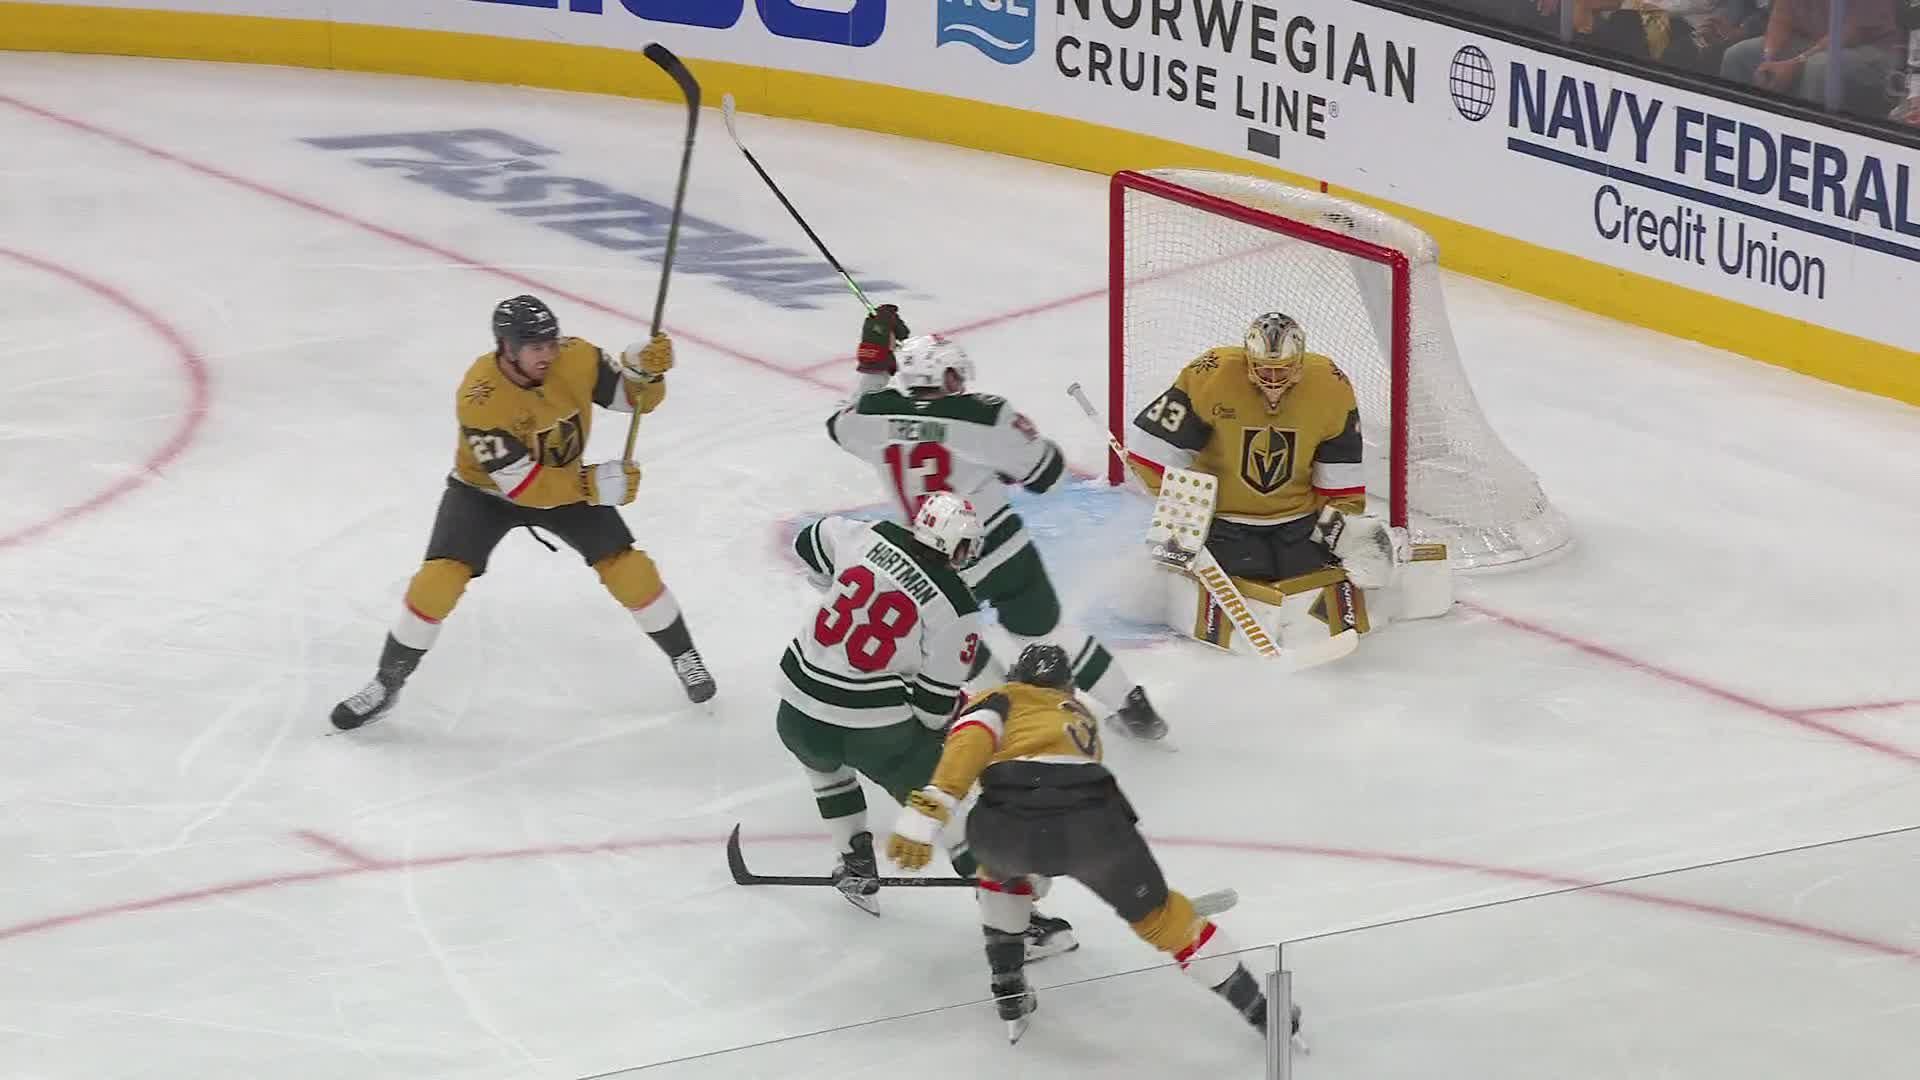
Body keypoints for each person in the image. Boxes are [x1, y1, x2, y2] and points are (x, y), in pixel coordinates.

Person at [329, 295, 715, 730]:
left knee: (630, 569)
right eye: (534, 348)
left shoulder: (578, 356)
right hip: (484, 493)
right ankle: (387, 682)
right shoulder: (481, 396)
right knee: (436, 582)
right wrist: (590, 484)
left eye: (550, 343)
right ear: (507, 348)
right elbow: (524, 486)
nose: (547, 355)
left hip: (562, 482)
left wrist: (645, 372)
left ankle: (684, 655)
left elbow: (633, 400)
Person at [886, 643, 1293, 1044]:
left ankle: (1008, 984)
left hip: (1007, 827)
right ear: (1068, 687)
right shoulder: (1078, 714)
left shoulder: (1001, 696)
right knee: (1163, 919)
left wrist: (930, 808)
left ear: (1016, 678)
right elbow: (1059, 796)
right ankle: (1261, 1010)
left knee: (1000, 873)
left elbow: (971, 741)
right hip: (1095, 830)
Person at [827, 304, 1172, 740]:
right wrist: (1005, 464)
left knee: (954, 645)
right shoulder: (984, 415)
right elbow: (1047, 476)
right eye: (954, 376)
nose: (960, 383)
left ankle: (1007, 713)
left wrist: (875, 362)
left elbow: (840, 422)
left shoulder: (872, 416)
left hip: (932, 561)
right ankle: (1133, 707)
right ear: (945, 377)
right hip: (1001, 547)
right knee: (1047, 634)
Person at [778, 493, 1074, 958]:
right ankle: (1018, 918)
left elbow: (807, 541)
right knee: (947, 808)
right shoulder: (955, 607)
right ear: (957, 548)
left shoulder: (869, 534)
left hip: (795, 708)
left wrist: (831, 580)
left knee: (825, 765)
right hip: (873, 730)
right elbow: (933, 710)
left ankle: (855, 864)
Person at [1129, 312, 1373, 588]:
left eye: (1282, 369)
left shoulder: (1330, 385)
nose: (1273, 378)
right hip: (1223, 522)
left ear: (1299, 362)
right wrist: (1184, 511)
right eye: (1264, 368)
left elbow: (1340, 478)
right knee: (1248, 576)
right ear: (1248, 360)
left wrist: (1343, 528)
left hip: (1297, 522)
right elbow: (1149, 452)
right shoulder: (1211, 375)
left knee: (1312, 581)